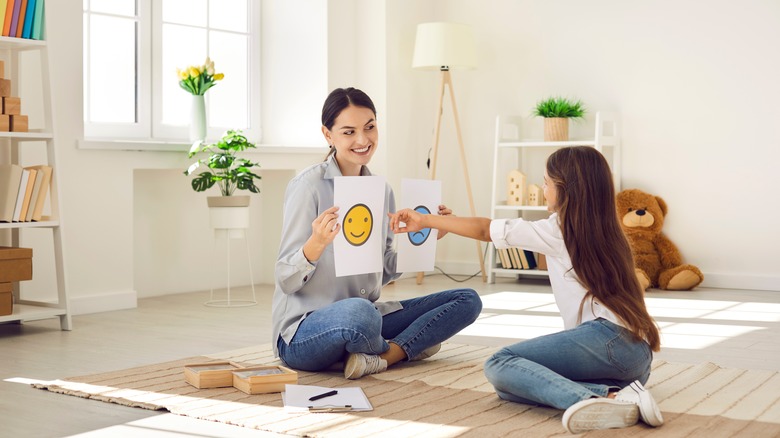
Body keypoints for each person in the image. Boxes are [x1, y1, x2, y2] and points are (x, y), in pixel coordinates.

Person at [390, 146, 664, 433]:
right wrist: (446, 220)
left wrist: (425, 219)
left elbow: (488, 230)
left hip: (607, 342)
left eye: (546, 182)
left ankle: (604, 398)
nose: (543, 189)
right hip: (637, 361)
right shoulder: (610, 230)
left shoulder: (560, 229)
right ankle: (623, 394)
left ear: (567, 188)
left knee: (501, 363)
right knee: (514, 386)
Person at [272, 87, 482, 380]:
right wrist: (315, 244)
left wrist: (427, 236)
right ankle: (409, 346)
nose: (363, 140)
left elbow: (383, 269)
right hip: (304, 333)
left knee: (467, 300)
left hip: (367, 318)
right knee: (361, 313)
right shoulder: (308, 187)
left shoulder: (381, 190)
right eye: (349, 132)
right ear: (328, 134)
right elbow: (285, 278)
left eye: (370, 127)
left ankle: (385, 355)